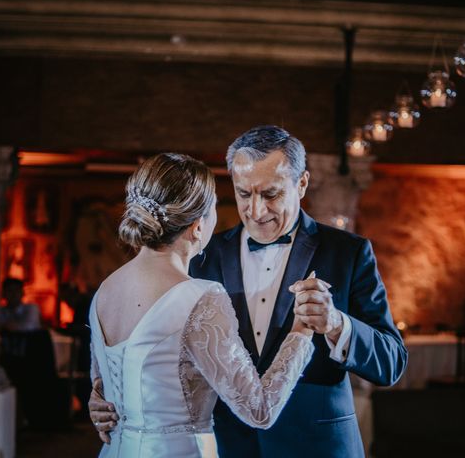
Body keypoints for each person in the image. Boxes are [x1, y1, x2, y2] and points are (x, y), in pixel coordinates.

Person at [91, 126, 408, 457]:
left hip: (317, 446)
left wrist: (337, 325)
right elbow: (153, 346)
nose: (256, 211)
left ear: (301, 184)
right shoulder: (201, 257)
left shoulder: (347, 252)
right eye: (244, 194)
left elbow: (391, 362)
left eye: (270, 194)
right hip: (230, 446)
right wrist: (107, 397)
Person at [89, 153, 315, 457]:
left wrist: (97, 401)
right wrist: (302, 329)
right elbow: (258, 409)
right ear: (198, 226)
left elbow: (101, 386)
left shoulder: (104, 291)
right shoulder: (199, 297)